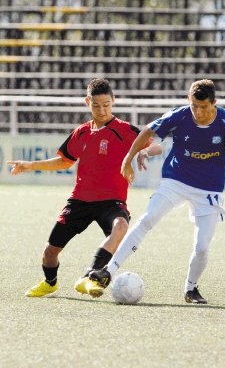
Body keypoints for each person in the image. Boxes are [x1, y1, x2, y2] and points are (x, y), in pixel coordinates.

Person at [88, 79, 225, 304]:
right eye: (193, 106)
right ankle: (107, 271)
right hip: (175, 180)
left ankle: (191, 289)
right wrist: (128, 159)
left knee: (202, 247)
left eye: (203, 107)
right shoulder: (179, 115)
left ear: (214, 103)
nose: (197, 112)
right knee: (146, 220)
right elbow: (148, 131)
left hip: (209, 189)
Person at [7, 78, 162, 298]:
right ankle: (50, 282)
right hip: (80, 200)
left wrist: (144, 152)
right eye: (96, 105)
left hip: (111, 200)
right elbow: (64, 161)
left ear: (114, 101)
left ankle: (91, 275)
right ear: (87, 102)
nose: (102, 110)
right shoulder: (81, 132)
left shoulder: (125, 130)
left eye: (107, 104)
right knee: (50, 252)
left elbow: (156, 144)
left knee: (121, 226)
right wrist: (30, 165)